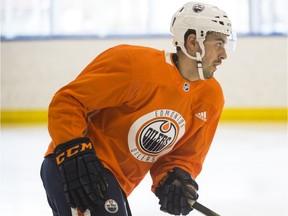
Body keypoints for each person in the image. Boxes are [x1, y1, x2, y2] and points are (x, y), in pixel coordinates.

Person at [40, 2, 236, 216]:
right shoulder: (134, 65)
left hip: (114, 183)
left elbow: (183, 158)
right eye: (218, 44)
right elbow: (67, 101)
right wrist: (72, 151)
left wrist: (175, 180)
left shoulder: (211, 97)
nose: (224, 54)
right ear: (192, 43)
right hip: (76, 166)